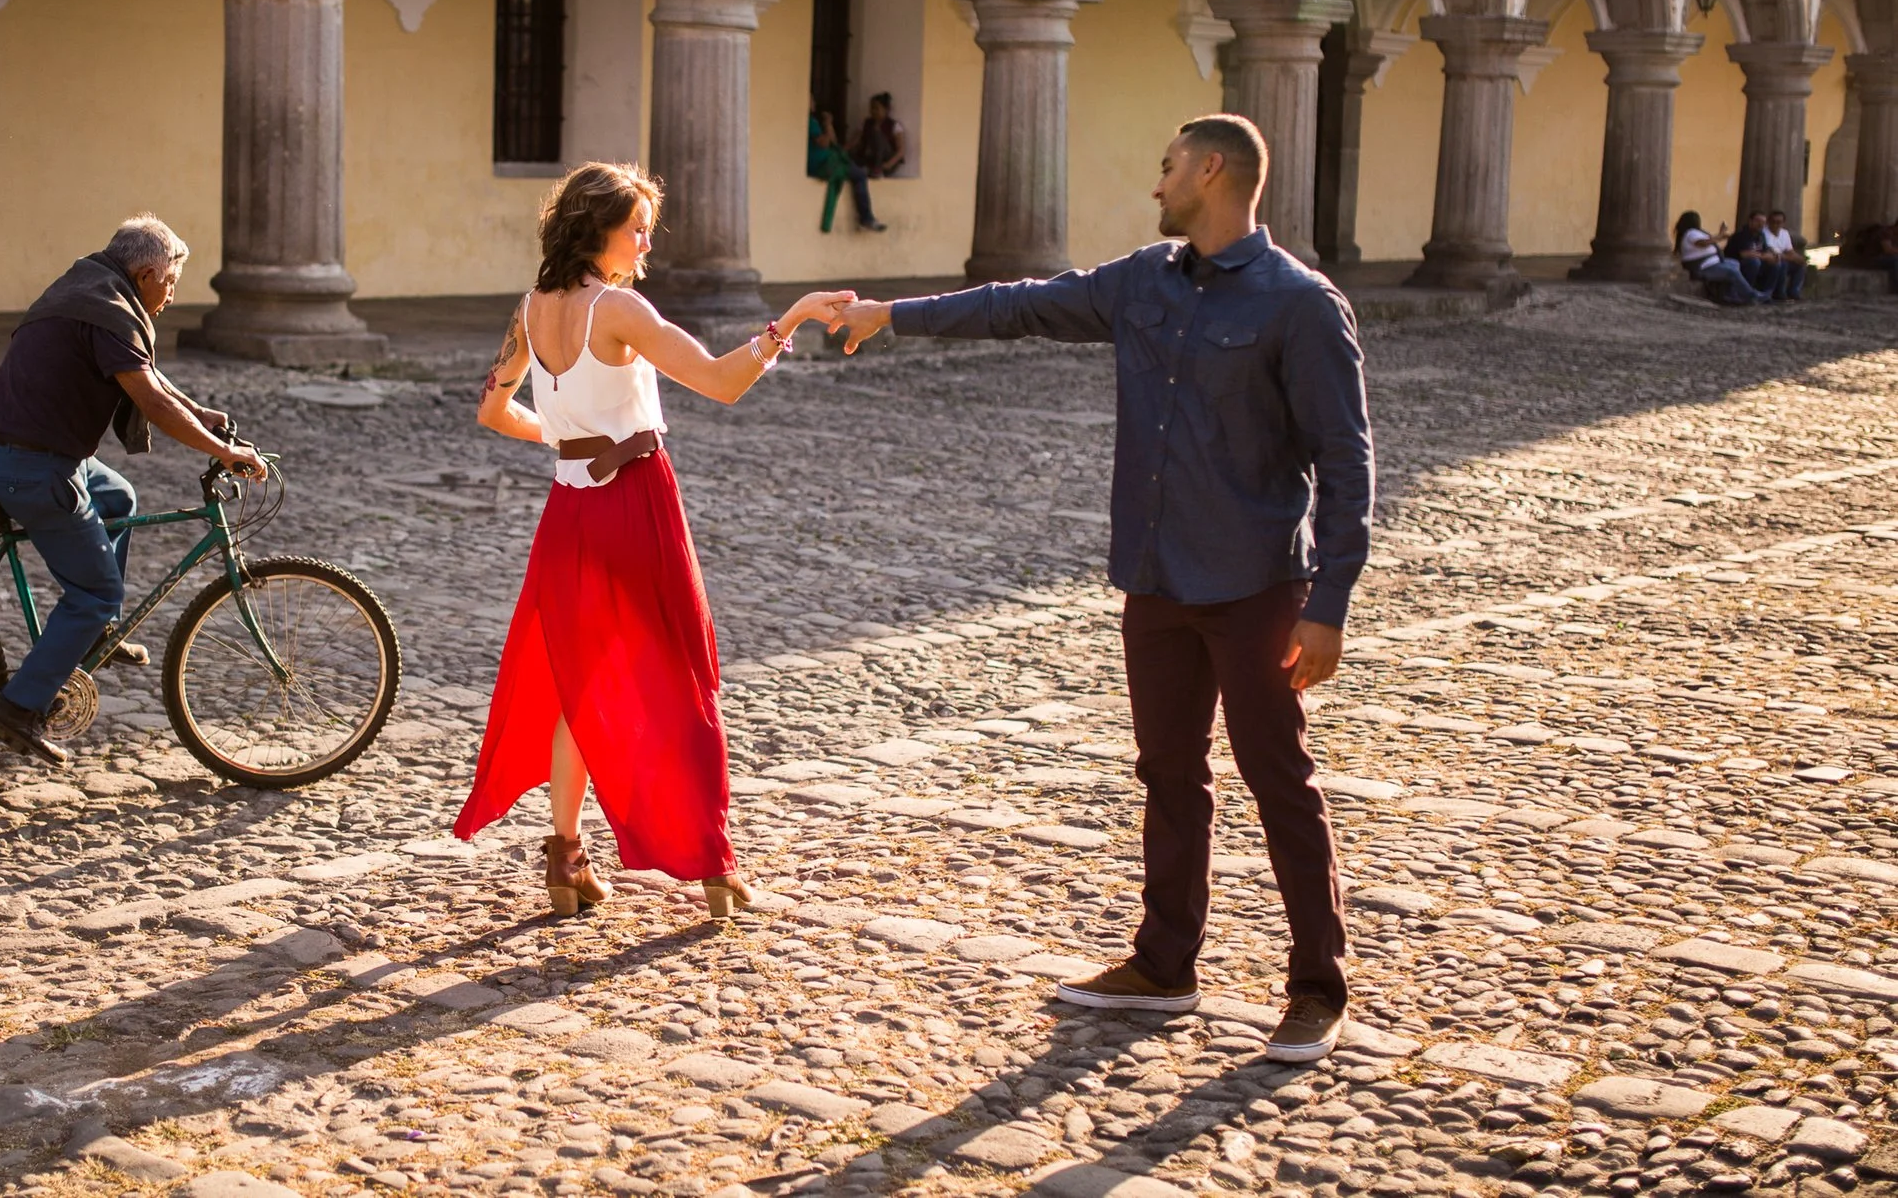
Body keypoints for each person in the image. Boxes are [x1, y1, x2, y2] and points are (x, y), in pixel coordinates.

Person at [828, 113, 1370, 1067]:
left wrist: (1329, 601)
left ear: (1212, 171)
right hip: (1156, 580)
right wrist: (892, 315)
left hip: (1255, 586)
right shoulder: (1140, 281)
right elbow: (1019, 304)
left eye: (1168, 168)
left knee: (1278, 777)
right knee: (1168, 774)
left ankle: (1318, 984)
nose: (1156, 185)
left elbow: (1345, 456)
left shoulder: (1302, 303)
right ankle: (1166, 965)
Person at [455, 162, 850, 920]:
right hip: (635, 506)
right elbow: (723, 380)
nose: (645, 240)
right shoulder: (620, 309)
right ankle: (711, 864)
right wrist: (791, 319)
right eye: (635, 225)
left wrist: (569, 440)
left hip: (568, 515)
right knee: (679, 673)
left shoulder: (531, 309)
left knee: (577, 683)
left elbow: (493, 412)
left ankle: (565, 861)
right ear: (596, 227)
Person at [0, 215, 264, 764]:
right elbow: (150, 400)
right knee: (95, 591)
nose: (172, 295)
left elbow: (143, 373)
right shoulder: (108, 310)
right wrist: (221, 452)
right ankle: (19, 705)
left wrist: (198, 413)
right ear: (147, 272)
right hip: (33, 470)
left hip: (30, 455)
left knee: (117, 499)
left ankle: (97, 633)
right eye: (172, 283)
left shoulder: (92, 285)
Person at [808, 101, 885, 233]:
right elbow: (825, 143)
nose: (813, 102)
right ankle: (866, 217)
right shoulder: (810, 122)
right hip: (822, 165)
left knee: (855, 169)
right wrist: (826, 128)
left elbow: (833, 141)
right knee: (860, 175)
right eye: (811, 99)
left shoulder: (813, 121)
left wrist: (828, 124)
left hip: (826, 163)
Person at [1675, 211, 1764, 305]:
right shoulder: (1691, 233)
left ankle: (1730, 294)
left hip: (1711, 263)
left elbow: (1708, 240)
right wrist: (1720, 235)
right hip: (1703, 267)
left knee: (1734, 263)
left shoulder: (1693, 232)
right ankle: (1751, 295)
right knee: (1731, 272)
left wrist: (1720, 236)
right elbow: (1703, 243)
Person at [1724, 208, 1788, 300]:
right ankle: (1745, 294)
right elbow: (1745, 254)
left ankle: (1766, 294)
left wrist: (1773, 255)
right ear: (1750, 221)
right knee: (1754, 262)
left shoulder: (1760, 235)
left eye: (1763, 222)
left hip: (1755, 262)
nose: (1760, 224)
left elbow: (1765, 250)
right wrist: (1764, 256)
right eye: (1757, 221)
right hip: (1737, 263)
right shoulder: (1742, 235)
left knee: (1777, 263)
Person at [850, 92, 907, 181]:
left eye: (876, 108)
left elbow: (901, 151)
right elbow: (853, 142)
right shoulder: (866, 123)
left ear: (886, 109)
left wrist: (888, 164)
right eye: (872, 108)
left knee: (877, 134)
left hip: (886, 161)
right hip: (869, 159)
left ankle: (877, 170)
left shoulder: (895, 126)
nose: (873, 111)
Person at [1764, 210, 1809, 302]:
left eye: (1779, 222)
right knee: (1783, 263)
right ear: (1768, 222)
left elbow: (1790, 251)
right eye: (1773, 222)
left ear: (1783, 223)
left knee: (1800, 265)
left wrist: (1799, 258)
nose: (1776, 225)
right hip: (1770, 261)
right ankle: (1780, 293)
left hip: (1782, 258)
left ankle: (1794, 291)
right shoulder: (1764, 233)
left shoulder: (1784, 233)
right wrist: (1791, 258)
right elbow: (1772, 252)